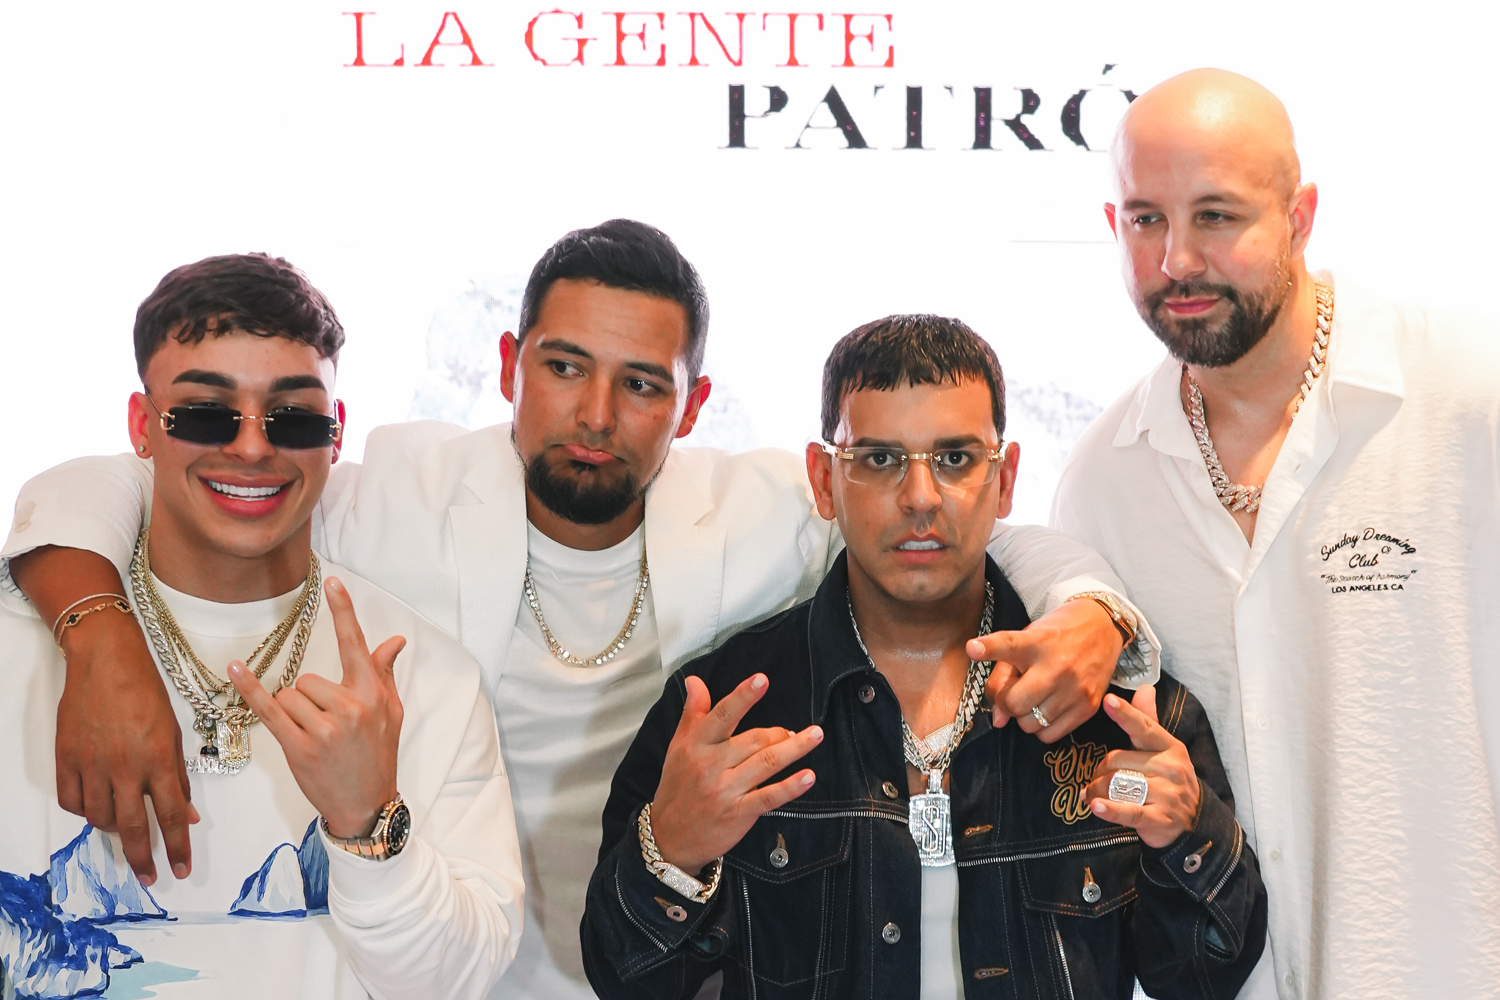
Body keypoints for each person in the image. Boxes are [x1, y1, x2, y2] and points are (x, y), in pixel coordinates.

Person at [4, 221, 1156, 998]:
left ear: (691, 404)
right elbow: (132, 476)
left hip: (665, 966)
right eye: (563, 367)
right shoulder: (389, 492)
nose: (597, 412)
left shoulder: (762, 510)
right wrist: (98, 638)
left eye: (642, 382)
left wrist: (1092, 610)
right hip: (443, 967)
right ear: (509, 363)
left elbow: (950, 522)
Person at [580, 314, 1265, 999]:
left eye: (955, 459)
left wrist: (1189, 835)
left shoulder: (1123, 710)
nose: (920, 498)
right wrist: (671, 852)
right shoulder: (727, 710)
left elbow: (1204, 980)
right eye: (879, 459)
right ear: (824, 480)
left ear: (1005, 478)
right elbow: (627, 981)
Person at [1051, 68, 1500, 999]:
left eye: (1216, 216)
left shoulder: (1470, 394)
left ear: (1300, 217)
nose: (1177, 258)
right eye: (1145, 219)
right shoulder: (1103, 480)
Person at [0, 254, 524, 997]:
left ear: (335, 434)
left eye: (294, 417)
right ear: (143, 426)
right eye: (205, 412)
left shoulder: (427, 678)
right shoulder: (26, 644)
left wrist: (368, 822)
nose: (251, 446)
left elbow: (458, 981)